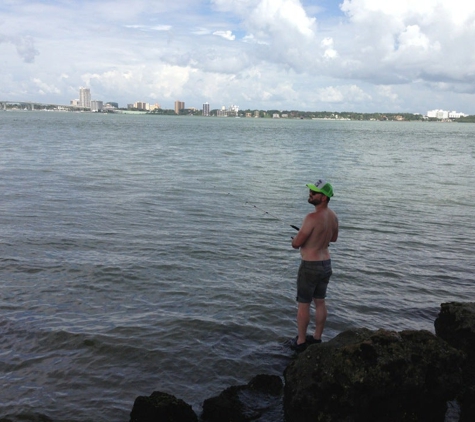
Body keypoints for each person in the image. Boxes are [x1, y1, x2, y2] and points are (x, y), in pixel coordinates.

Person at [290, 179, 339, 352]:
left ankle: (301, 342)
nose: (310, 194)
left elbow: (297, 244)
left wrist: (295, 241)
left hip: (310, 265)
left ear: (324, 198)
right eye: (310, 191)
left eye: (314, 192)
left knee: (304, 304)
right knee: (320, 302)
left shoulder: (310, 218)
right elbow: (333, 239)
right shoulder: (333, 216)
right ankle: (317, 339)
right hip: (326, 264)